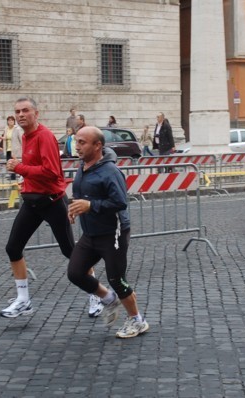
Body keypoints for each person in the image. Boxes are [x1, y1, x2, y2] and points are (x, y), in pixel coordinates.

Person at [2, 97, 103, 318]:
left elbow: (51, 172)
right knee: (13, 248)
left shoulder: (45, 136)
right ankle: (23, 300)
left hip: (52, 202)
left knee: (71, 252)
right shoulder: (25, 135)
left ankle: (96, 294)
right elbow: (35, 169)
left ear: (36, 114)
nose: (20, 115)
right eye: (17, 111)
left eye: (25, 110)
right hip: (32, 201)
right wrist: (25, 181)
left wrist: (19, 168)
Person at [67, 126, 149, 339]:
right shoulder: (82, 167)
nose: (77, 146)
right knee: (75, 273)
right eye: (77, 141)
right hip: (90, 233)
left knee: (117, 279)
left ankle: (137, 320)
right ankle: (108, 299)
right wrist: (75, 209)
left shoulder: (111, 171)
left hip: (113, 233)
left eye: (82, 142)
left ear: (98, 146)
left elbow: (120, 202)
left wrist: (90, 205)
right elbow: (82, 195)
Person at [3, 115, 24, 180]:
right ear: (7, 122)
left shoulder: (17, 129)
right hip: (8, 149)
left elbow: (21, 139)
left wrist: (23, 148)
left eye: (12, 120)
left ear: (14, 121)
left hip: (15, 149)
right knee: (9, 163)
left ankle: (19, 177)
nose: (11, 121)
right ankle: (12, 177)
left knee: (16, 163)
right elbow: (4, 139)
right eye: (9, 120)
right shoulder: (6, 129)